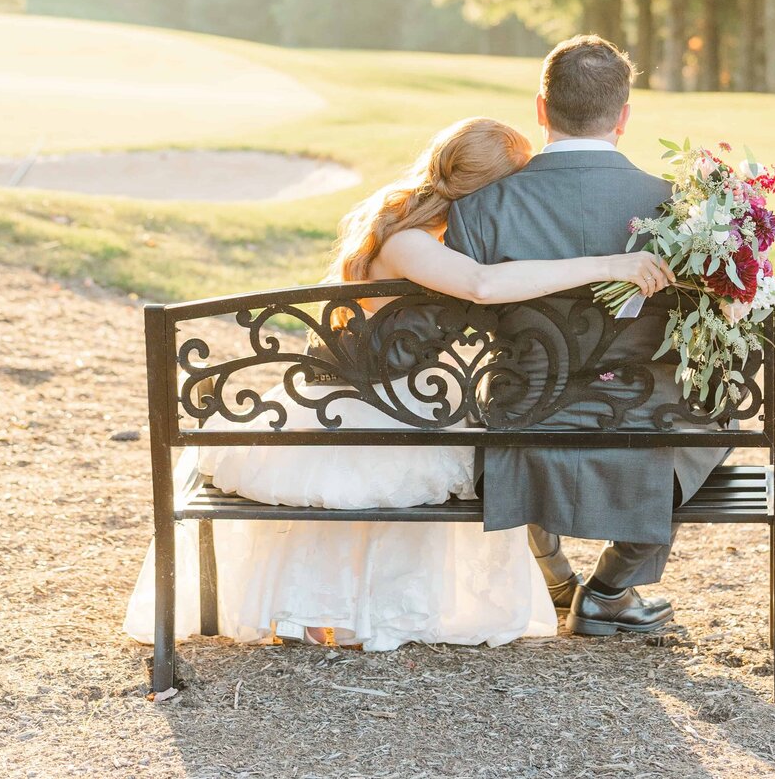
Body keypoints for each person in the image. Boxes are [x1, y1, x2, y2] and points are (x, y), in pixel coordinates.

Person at [123, 115, 673, 654]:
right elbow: (482, 286)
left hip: (394, 402)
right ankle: (334, 613)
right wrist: (609, 263)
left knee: (487, 451)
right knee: (455, 460)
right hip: (362, 407)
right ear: (486, 188)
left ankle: (496, 590)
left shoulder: (414, 229)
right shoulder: (408, 241)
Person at [445, 35, 725, 637]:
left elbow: (460, 323)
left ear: (541, 110)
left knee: (511, 392)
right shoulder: (682, 209)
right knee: (714, 417)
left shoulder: (481, 209)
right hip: (642, 429)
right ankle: (610, 587)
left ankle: (552, 573)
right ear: (624, 117)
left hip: (520, 424)